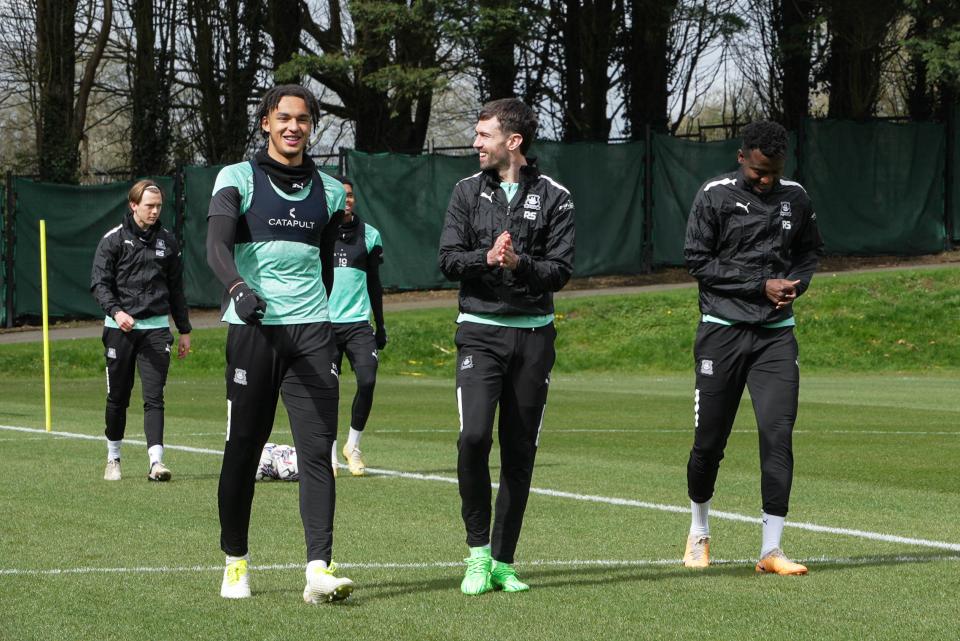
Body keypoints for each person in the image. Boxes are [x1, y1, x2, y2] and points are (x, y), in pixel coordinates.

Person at [205, 84, 354, 603]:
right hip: (253, 331)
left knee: (318, 452)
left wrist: (324, 320)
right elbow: (216, 246)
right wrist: (239, 289)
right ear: (266, 123)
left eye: (304, 120)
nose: (294, 127)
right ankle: (236, 562)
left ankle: (318, 569)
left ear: (312, 126)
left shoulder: (332, 191)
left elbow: (330, 264)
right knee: (243, 450)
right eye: (284, 118)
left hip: (312, 333)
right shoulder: (237, 179)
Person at [438, 98, 575, 595]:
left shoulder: (556, 196)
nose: (476, 143)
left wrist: (519, 265)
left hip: (535, 336)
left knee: (520, 451)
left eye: (484, 135)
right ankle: (476, 554)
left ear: (512, 142)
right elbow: (448, 260)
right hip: (479, 330)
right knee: (473, 437)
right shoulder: (465, 192)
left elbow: (560, 270)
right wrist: (487, 257)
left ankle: (502, 561)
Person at [682, 120, 822, 575]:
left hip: (776, 336)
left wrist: (795, 286)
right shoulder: (714, 194)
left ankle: (771, 550)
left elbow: (808, 253)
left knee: (777, 437)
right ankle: (699, 531)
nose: (767, 180)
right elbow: (698, 262)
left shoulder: (795, 197)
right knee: (709, 443)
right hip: (721, 332)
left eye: (774, 173)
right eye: (760, 171)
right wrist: (760, 284)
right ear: (742, 156)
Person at [90, 179, 191, 482]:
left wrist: (184, 329)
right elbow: (99, 283)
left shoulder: (169, 242)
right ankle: (113, 457)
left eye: (159, 206)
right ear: (133, 205)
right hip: (119, 330)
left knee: (155, 397)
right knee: (118, 398)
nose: (155, 211)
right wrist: (116, 312)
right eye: (149, 205)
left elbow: (176, 289)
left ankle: (156, 463)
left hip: (156, 330)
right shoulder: (113, 240)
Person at [327, 175, 386, 477]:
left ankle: (353, 446)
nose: (346, 200)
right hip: (325, 327)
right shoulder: (322, 234)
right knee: (328, 390)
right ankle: (330, 454)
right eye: (341, 195)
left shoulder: (370, 235)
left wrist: (381, 325)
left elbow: (375, 285)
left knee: (367, 380)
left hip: (359, 325)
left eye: (350, 195)